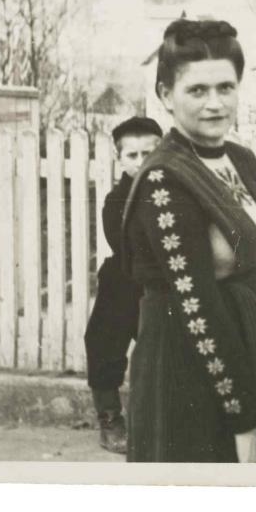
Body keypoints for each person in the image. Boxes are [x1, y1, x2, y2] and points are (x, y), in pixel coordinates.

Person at [120, 18, 256, 463]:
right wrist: (243, 422)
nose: (215, 104)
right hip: (194, 378)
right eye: (197, 91)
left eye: (226, 88)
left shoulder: (241, 159)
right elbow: (197, 310)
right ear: (166, 95)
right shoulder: (163, 180)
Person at [84, 116, 162, 453]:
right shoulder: (116, 201)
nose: (142, 162)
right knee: (103, 339)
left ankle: (171, 418)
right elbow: (126, 248)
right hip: (128, 278)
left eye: (150, 153)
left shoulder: (179, 191)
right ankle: (110, 418)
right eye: (133, 155)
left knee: (168, 352)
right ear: (120, 159)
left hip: (171, 283)